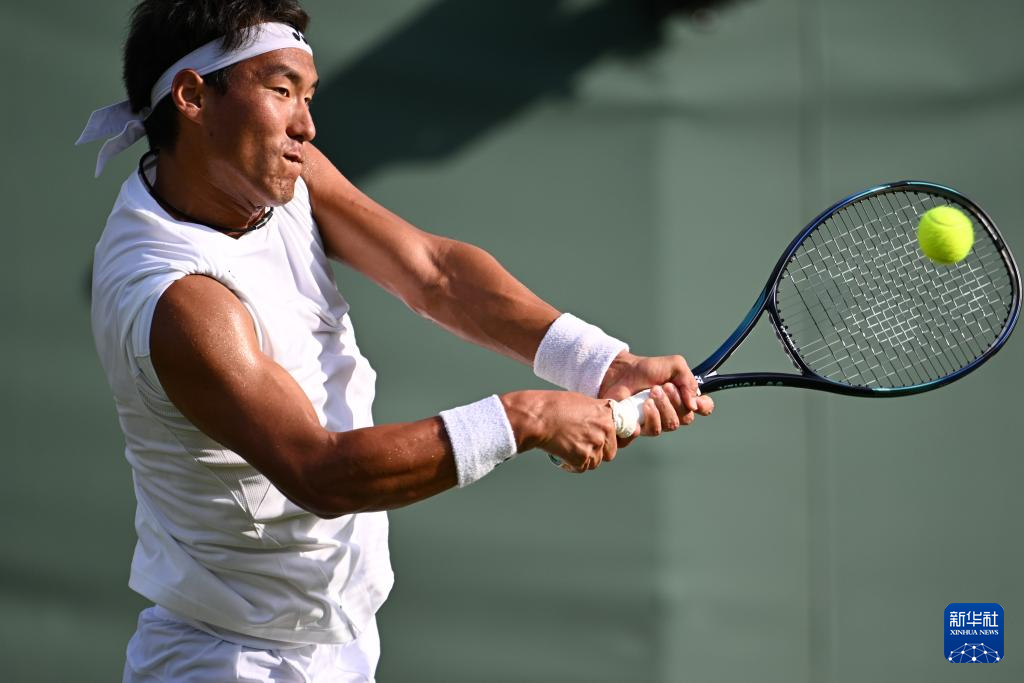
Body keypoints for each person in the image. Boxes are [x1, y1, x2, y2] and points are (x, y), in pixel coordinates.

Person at [79, 1, 714, 680]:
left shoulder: (278, 175)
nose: (306, 125)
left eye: (307, 96)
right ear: (193, 96)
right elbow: (320, 471)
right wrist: (523, 418)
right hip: (228, 661)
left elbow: (434, 274)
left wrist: (600, 363)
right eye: (281, 90)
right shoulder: (181, 301)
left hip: (338, 644)